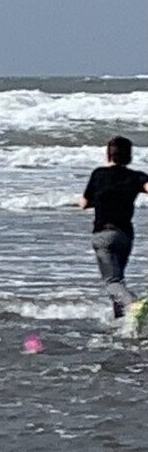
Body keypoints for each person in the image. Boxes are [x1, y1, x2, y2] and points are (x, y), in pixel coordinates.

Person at [79, 135, 148, 318]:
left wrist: (102, 201)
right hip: (125, 236)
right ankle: (122, 320)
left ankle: (133, 304)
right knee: (118, 281)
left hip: (103, 234)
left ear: (108, 155)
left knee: (112, 282)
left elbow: (84, 203)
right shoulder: (135, 176)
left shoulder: (98, 174)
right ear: (129, 156)